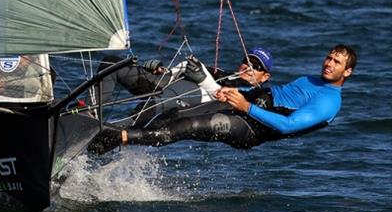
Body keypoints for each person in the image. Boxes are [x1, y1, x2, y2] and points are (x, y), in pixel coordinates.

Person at [90, 44, 356, 152]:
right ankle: (104, 138)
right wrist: (232, 93)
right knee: (174, 117)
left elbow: (288, 125)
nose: (329, 63)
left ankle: (118, 138)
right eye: (329, 57)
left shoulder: (330, 101)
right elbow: (270, 94)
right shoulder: (310, 80)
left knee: (189, 126)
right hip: (245, 105)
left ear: (348, 71)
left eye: (337, 62)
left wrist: (245, 106)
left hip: (251, 129)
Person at [93, 47, 274, 128]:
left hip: (184, 103)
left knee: (155, 104)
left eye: (256, 67)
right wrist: (161, 70)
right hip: (165, 84)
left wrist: (203, 80)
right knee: (111, 64)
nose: (248, 67)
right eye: (247, 61)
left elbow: (223, 98)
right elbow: (188, 69)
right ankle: (89, 114)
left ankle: (106, 132)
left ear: (265, 77)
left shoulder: (254, 94)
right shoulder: (223, 72)